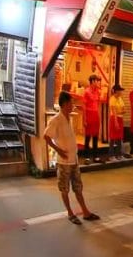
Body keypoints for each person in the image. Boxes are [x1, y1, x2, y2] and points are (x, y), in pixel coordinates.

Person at [43, 91, 100, 225]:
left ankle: (85, 212)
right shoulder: (56, 120)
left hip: (73, 160)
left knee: (78, 187)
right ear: (64, 104)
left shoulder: (69, 118)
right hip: (63, 162)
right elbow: (46, 136)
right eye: (70, 103)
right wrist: (58, 150)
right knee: (64, 189)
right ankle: (70, 213)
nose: (72, 105)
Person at [83, 74, 104, 162]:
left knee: (95, 136)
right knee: (88, 137)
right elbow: (84, 106)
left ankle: (95, 156)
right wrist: (84, 119)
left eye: (97, 81)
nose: (97, 82)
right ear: (91, 81)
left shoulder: (98, 92)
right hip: (88, 114)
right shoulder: (86, 91)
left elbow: (98, 104)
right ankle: (86, 157)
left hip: (95, 115)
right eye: (95, 81)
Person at [108, 84, 125, 161]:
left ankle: (119, 154)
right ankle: (111, 155)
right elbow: (114, 111)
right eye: (120, 90)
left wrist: (121, 111)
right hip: (114, 119)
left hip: (120, 118)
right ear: (116, 91)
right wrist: (116, 122)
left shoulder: (120, 99)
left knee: (119, 138)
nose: (121, 92)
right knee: (112, 138)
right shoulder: (112, 99)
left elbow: (123, 109)